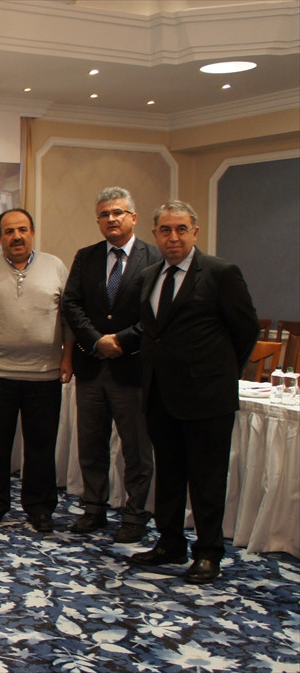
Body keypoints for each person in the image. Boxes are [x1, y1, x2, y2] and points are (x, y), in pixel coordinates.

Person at [131, 200, 258, 584]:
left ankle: (208, 552)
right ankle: (170, 542)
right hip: (160, 396)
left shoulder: (220, 273)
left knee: (207, 480)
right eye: (166, 230)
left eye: (181, 229)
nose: (173, 237)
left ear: (195, 232)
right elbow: (153, 331)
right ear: (155, 234)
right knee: (169, 475)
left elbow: (245, 331)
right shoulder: (150, 276)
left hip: (207, 398)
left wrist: (218, 374)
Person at [63, 186, 160, 543]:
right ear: (98, 221)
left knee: (136, 449)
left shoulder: (153, 258)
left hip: (132, 367)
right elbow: (71, 304)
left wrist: (121, 340)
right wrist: (96, 340)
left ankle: (135, 515)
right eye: (104, 214)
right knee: (91, 443)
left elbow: (156, 312)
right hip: (92, 366)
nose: (111, 219)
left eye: (118, 212)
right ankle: (94, 508)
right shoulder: (86, 257)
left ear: (133, 217)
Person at [0, 208, 73, 532]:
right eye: (9, 231)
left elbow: (68, 318)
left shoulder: (55, 266)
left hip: (44, 374)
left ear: (32, 232)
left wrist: (68, 358)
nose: (16, 237)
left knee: (41, 447)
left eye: (22, 230)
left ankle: (40, 508)